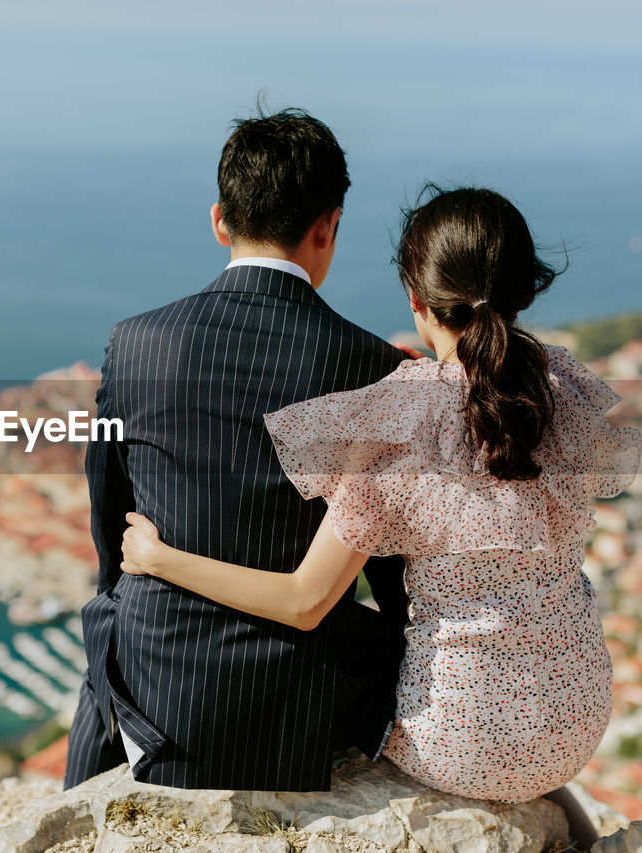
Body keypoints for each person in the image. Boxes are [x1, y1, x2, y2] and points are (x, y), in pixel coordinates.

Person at [118, 186, 642, 846]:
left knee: (332, 638)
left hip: (461, 746)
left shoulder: (403, 424)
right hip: (577, 723)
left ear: (416, 300)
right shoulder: (557, 386)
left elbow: (304, 600)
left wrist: (156, 558)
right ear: (522, 292)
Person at [63, 108, 411, 792]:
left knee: (108, 608)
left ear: (220, 220)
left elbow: (110, 512)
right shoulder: (379, 369)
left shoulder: (134, 343)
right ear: (329, 226)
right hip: (299, 709)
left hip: (159, 688)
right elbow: (397, 572)